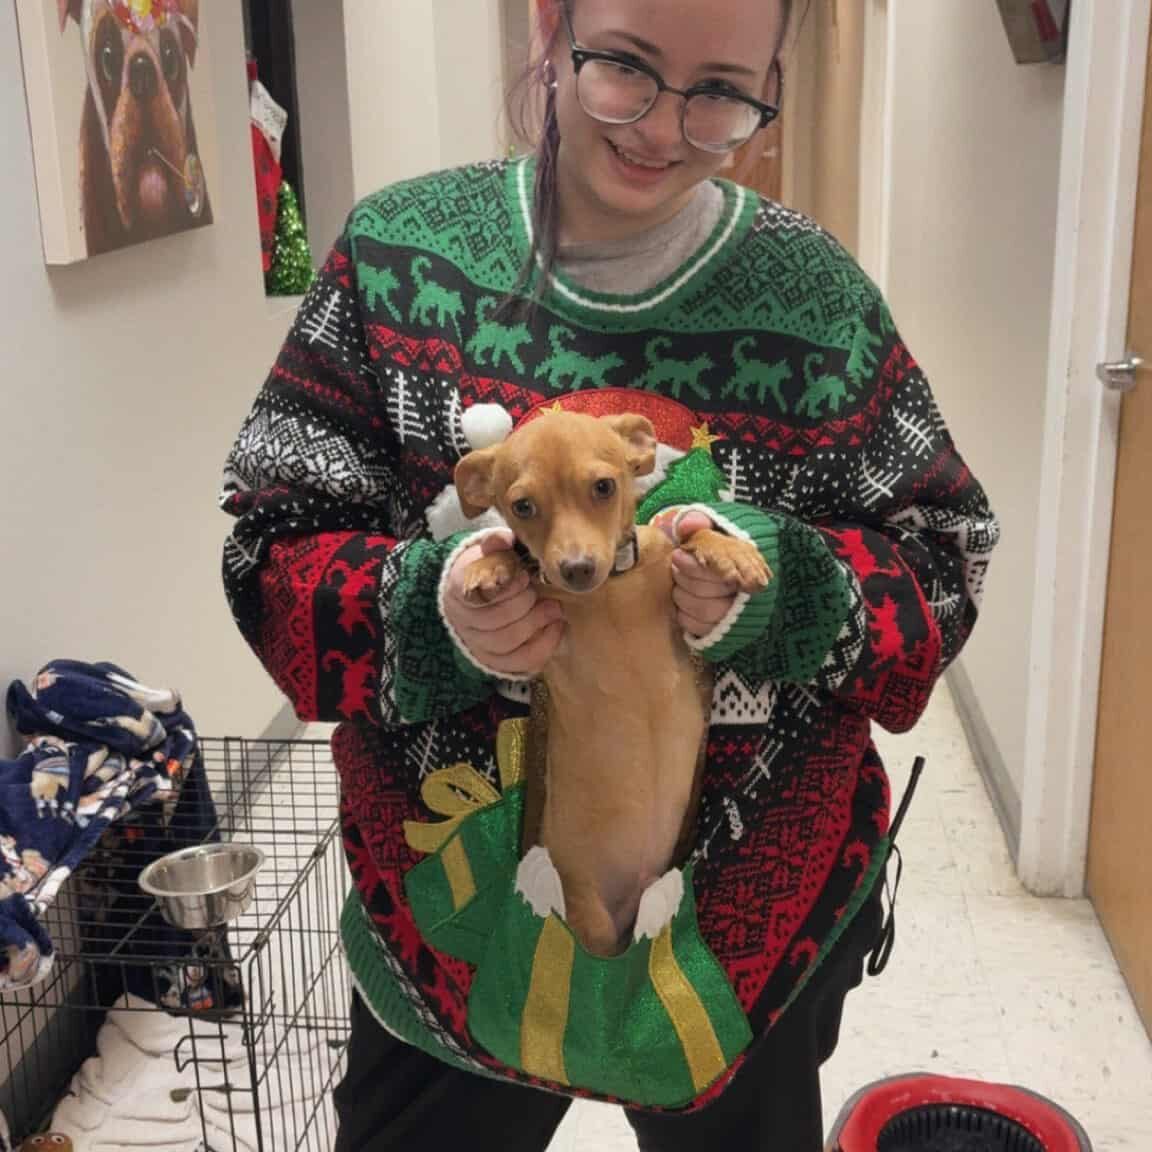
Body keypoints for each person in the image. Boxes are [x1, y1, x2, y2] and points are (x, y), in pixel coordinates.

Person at [219, 0, 999, 1148]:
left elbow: (948, 559)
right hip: (456, 930)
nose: (664, 130)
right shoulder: (394, 264)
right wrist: (430, 616)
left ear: (774, 75)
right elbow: (269, 552)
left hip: (747, 944)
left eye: (724, 91)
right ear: (553, 27)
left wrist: (791, 595)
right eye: (624, 67)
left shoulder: (820, 304)